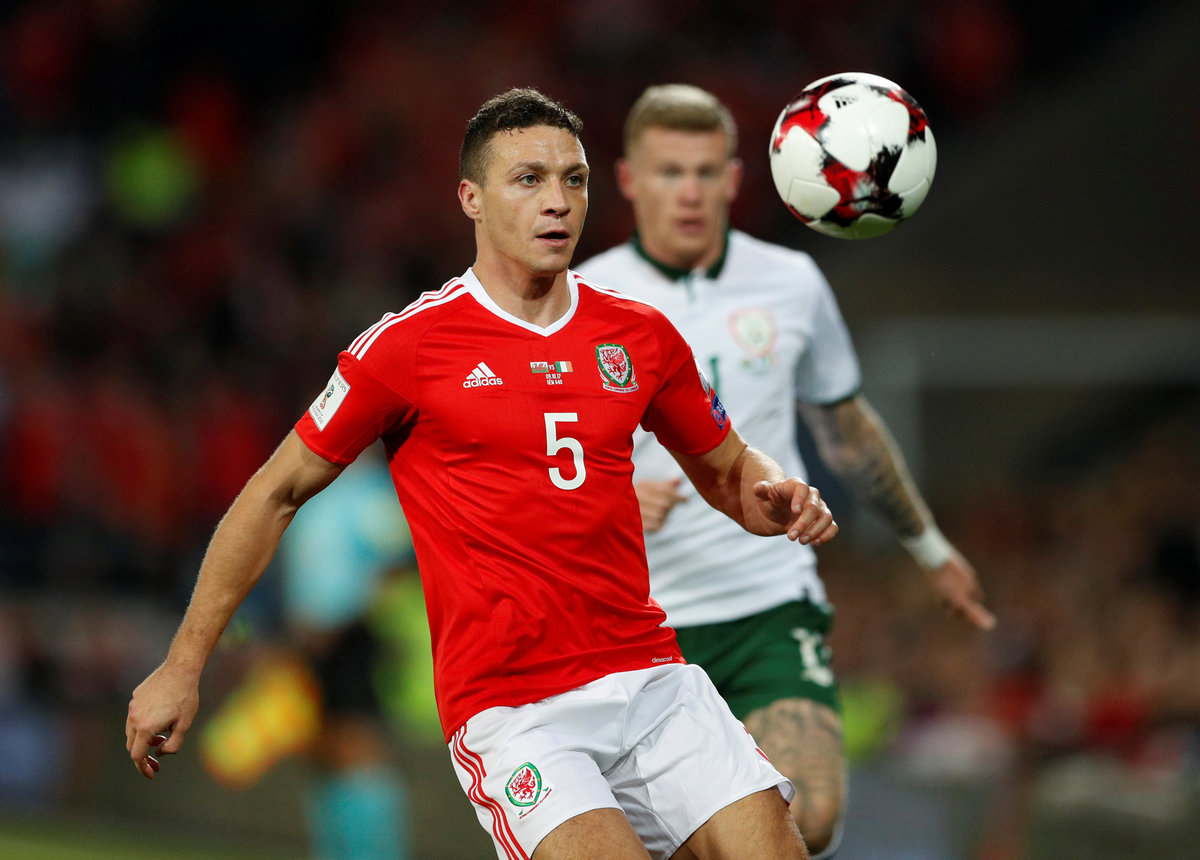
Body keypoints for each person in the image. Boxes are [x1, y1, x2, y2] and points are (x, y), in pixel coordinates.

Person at [126, 87, 841, 860]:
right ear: (471, 198)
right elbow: (274, 492)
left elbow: (731, 471)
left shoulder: (641, 336)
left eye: (573, 179)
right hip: (517, 710)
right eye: (529, 179)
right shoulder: (407, 348)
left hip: (652, 680)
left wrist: (777, 495)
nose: (558, 201)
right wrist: (182, 664)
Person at [576, 84, 996, 858]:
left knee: (808, 817)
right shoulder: (582, 298)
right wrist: (613, 493)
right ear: (630, 180)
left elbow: (847, 431)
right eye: (669, 172)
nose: (690, 191)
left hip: (767, 607)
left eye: (706, 171)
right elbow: (533, 453)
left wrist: (929, 546)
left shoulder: (792, 282)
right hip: (634, 625)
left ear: (736, 179)